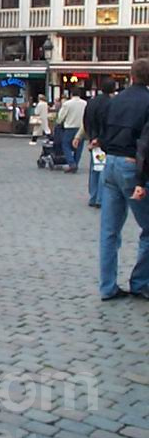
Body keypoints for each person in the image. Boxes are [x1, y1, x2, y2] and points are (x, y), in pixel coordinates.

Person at [98, 59, 149, 301]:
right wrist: (140, 177)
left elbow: (101, 130)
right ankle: (140, 282)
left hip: (110, 163)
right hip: (131, 164)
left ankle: (107, 286)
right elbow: (146, 144)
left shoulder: (115, 100)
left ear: (131, 76)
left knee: (109, 231)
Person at [73, 78, 116, 207]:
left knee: (95, 167)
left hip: (93, 138)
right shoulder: (111, 103)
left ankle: (93, 196)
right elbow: (107, 123)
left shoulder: (91, 102)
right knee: (103, 168)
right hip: (105, 140)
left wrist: (91, 137)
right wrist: (100, 139)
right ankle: (100, 198)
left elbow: (85, 121)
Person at [56, 88, 86, 172]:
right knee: (79, 147)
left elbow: (61, 116)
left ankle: (71, 163)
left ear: (71, 94)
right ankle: (75, 163)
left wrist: (58, 122)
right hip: (81, 128)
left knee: (65, 145)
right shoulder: (85, 103)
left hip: (69, 127)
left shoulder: (67, 104)